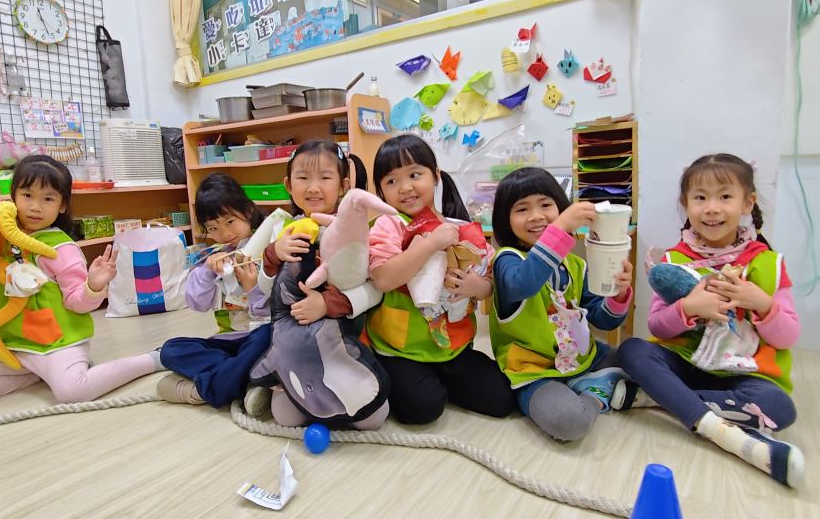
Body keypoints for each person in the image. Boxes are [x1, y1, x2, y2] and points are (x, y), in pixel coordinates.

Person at [615, 154, 804, 487]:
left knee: (780, 408)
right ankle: (719, 430)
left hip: (743, 374)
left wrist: (761, 304)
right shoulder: (673, 260)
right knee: (631, 350)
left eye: (725, 196)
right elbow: (656, 326)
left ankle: (658, 397)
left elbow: (788, 337)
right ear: (685, 204)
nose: (712, 208)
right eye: (700, 198)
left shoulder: (769, 263)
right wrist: (688, 308)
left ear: (748, 203)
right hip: (685, 365)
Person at [0, 155, 163, 405]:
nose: (35, 207)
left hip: (57, 344)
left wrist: (94, 285)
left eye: (48, 199)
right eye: (27, 195)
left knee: (73, 393)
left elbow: (77, 303)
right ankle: (37, 375)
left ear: (62, 205)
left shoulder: (61, 248)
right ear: (13, 196)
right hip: (11, 345)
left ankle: (152, 360)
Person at [366, 134, 515, 424]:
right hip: (400, 349)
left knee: (502, 400)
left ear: (435, 176)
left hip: (454, 347)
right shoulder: (387, 225)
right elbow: (383, 278)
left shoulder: (458, 226)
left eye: (415, 175)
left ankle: (437, 379)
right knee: (424, 409)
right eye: (392, 181)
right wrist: (431, 243)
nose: (405, 187)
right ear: (381, 191)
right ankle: (397, 375)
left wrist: (478, 287)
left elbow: (488, 278)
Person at [489, 167, 633, 441]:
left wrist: (618, 295)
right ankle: (596, 393)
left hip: (584, 358)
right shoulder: (506, 260)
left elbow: (603, 320)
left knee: (639, 357)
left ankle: (591, 381)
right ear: (506, 220)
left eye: (545, 205)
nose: (536, 215)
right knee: (570, 422)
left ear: (560, 207)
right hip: (533, 371)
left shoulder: (576, 265)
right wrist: (559, 228)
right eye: (522, 209)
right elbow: (525, 284)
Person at [257, 139, 387, 428]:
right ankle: (270, 385)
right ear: (289, 185)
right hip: (298, 348)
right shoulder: (282, 230)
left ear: (343, 186)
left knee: (372, 419)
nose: (313, 188)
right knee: (286, 417)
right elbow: (265, 290)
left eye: (325, 178)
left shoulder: (355, 231)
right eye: (303, 178)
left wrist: (329, 304)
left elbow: (376, 288)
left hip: (343, 341)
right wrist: (273, 255)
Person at [157, 174, 272, 409]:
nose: (225, 233)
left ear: (248, 211)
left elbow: (276, 312)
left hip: (261, 338)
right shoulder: (214, 257)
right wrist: (208, 272)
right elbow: (197, 303)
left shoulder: (268, 249)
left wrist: (253, 289)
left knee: (266, 338)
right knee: (171, 349)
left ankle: (205, 390)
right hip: (228, 342)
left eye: (230, 222)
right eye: (213, 228)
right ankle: (243, 376)